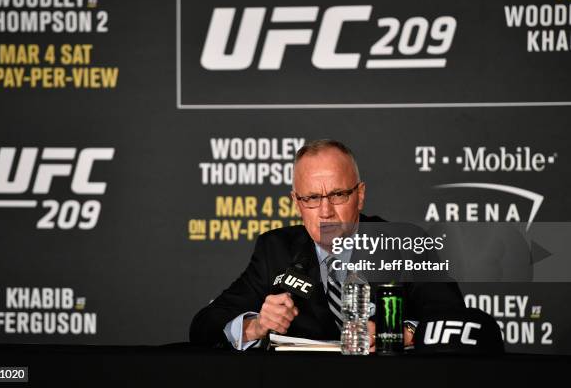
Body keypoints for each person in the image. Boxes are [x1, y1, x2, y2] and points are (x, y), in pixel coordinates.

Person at [189, 139, 465, 350]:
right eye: (311, 198)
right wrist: (256, 326)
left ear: (360, 195)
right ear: (296, 203)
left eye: (338, 195)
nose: (325, 212)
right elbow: (205, 327)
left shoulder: (405, 242)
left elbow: (458, 322)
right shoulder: (276, 249)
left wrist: (395, 333)